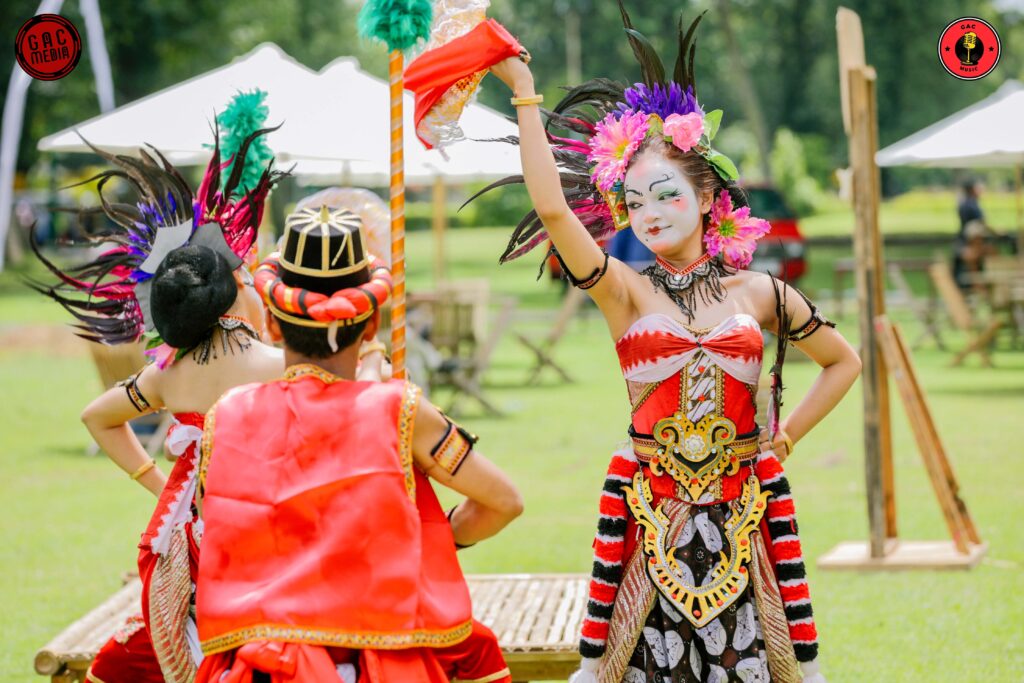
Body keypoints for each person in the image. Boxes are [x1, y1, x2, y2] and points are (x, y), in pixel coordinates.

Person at [476, 5, 862, 681]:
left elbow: (843, 360)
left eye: (664, 196)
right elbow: (552, 210)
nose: (649, 215)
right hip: (649, 524)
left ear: (708, 193)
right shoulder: (622, 289)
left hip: (744, 522)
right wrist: (524, 93)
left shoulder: (762, 293)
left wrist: (786, 436)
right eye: (635, 203)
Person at [194, 205, 522, 683]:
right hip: (379, 664)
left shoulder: (226, 415)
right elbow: (503, 502)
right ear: (370, 327)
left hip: (258, 666)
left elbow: (219, 526)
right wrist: (432, 538)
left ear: (271, 323)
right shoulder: (403, 411)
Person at [30, 126, 287, 683]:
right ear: (235, 291)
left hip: (179, 534)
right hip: (253, 536)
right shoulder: (275, 365)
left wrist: (155, 481)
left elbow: (96, 416)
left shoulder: (166, 374)